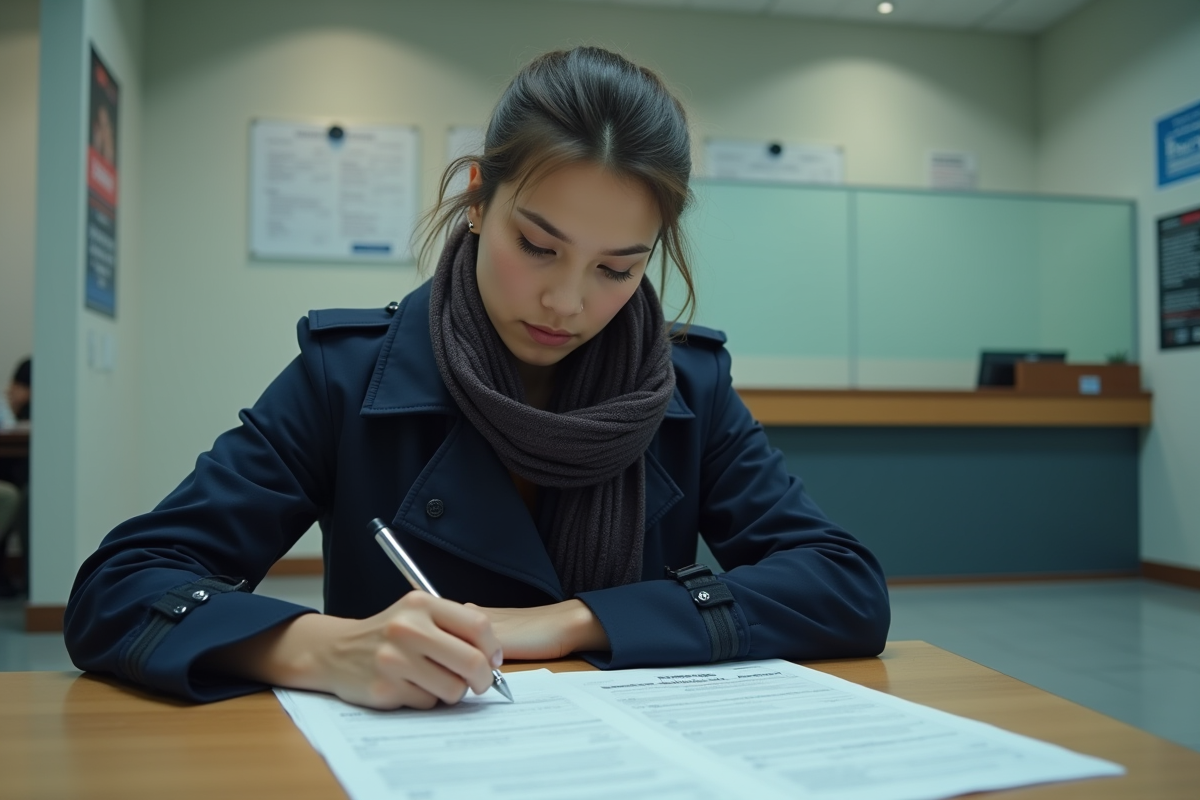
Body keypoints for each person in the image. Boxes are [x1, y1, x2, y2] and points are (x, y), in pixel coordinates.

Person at [65, 47, 889, 708]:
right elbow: (120, 589)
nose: (567, 302)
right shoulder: (346, 376)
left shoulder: (688, 387)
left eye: (617, 268)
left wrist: (571, 623)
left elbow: (842, 587)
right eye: (537, 246)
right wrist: (322, 648)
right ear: (475, 199)